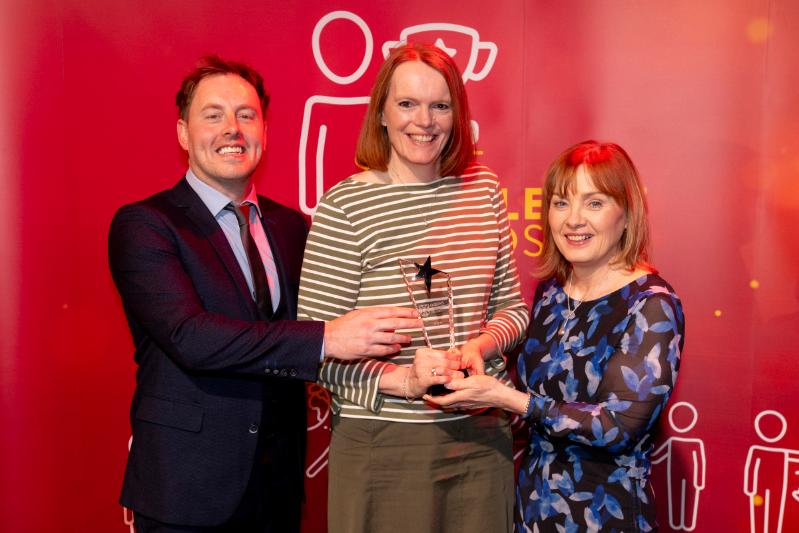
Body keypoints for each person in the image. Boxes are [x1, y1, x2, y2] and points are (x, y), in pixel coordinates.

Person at [108, 55, 421, 533]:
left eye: (246, 115)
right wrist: (324, 339)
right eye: (213, 115)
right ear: (183, 134)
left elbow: (321, 320)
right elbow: (189, 336)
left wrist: (399, 374)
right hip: (186, 487)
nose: (232, 129)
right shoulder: (146, 225)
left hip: (277, 483)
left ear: (264, 130)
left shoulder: (292, 226)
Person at [297, 43, 529, 533]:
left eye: (440, 105)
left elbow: (512, 308)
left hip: (481, 437)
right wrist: (404, 382)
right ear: (381, 112)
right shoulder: (345, 206)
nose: (424, 121)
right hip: (385, 445)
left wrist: (478, 347)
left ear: (457, 115)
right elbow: (311, 351)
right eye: (407, 104)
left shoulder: (482, 189)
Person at [427, 140, 685, 531]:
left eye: (594, 203)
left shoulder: (651, 304)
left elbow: (620, 425)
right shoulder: (552, 292)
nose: (573, 220)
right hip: (533, 509)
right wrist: (472, 388)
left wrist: (506, 397)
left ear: (628, 214)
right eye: (561, 203)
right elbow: (538, 406)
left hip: (605, 514)